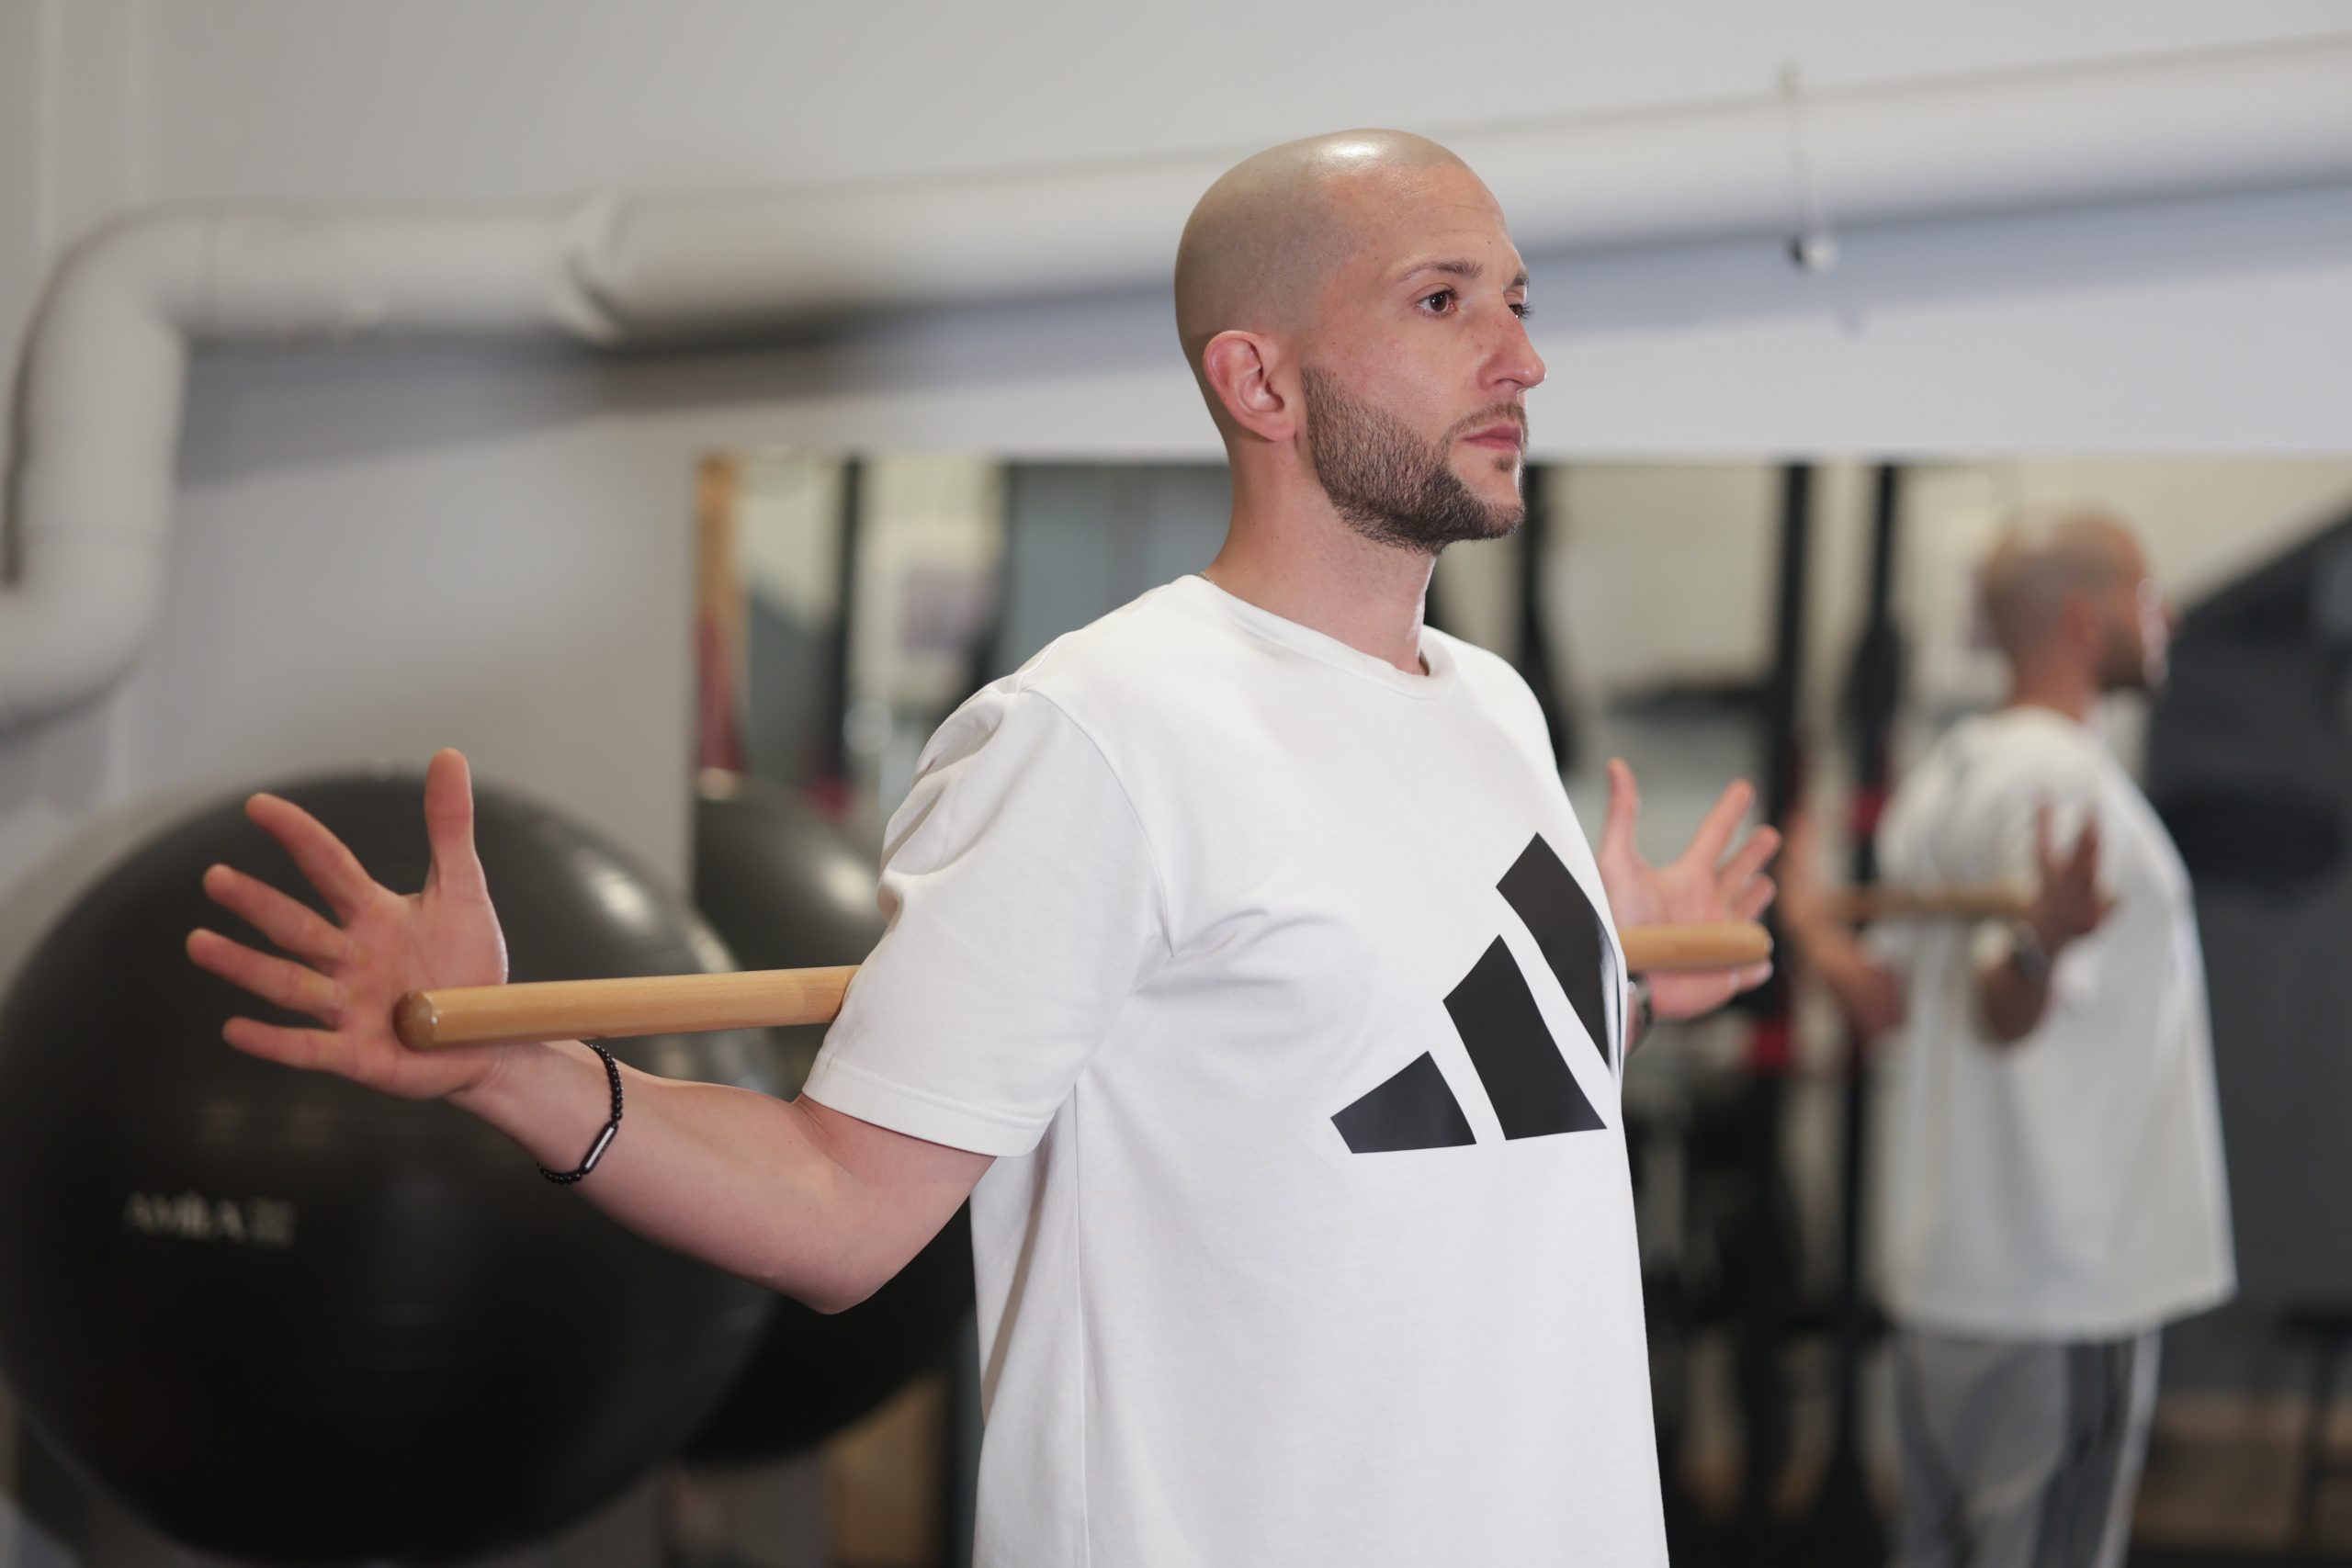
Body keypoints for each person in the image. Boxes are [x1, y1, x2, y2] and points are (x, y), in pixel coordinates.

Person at [187, 130, 1781, 1566]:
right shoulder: (1101, 733)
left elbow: (1388, 1091)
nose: (1522, 357)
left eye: (1516, 299)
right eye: (1443, 302)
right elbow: (839, 1207)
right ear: (1261, 381)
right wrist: (505, 1068)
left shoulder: (1489, 706)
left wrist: (1609, 986)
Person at [1778, 512, 2236, 1568]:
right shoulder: (2059, 787)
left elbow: (1884, 1005)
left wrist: (1806, 924)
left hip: (1945, 1294)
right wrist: (2039, 943)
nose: (2164, 618)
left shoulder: (1949, 776)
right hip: (2053, 1292)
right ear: (2082, 620)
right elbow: (2006, 1003)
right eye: (2144, 597)